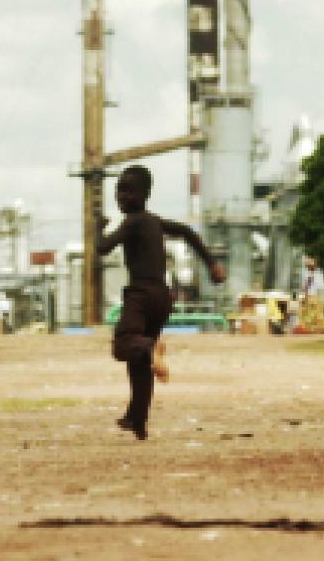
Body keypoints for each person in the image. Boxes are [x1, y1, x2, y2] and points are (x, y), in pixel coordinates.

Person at [97, 164, 226, 441]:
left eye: (129, 191)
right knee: (139, 363)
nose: (122, 196)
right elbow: (188, 232)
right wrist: (211, 263)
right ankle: (137, 420)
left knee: (124, 345)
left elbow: (102, 248)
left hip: (141, 294)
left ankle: (150, 347)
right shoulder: (155, 221)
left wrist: (98, 228)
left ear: (145, 194)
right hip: (162, 296)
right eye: (119, 191)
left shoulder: (133, 221)